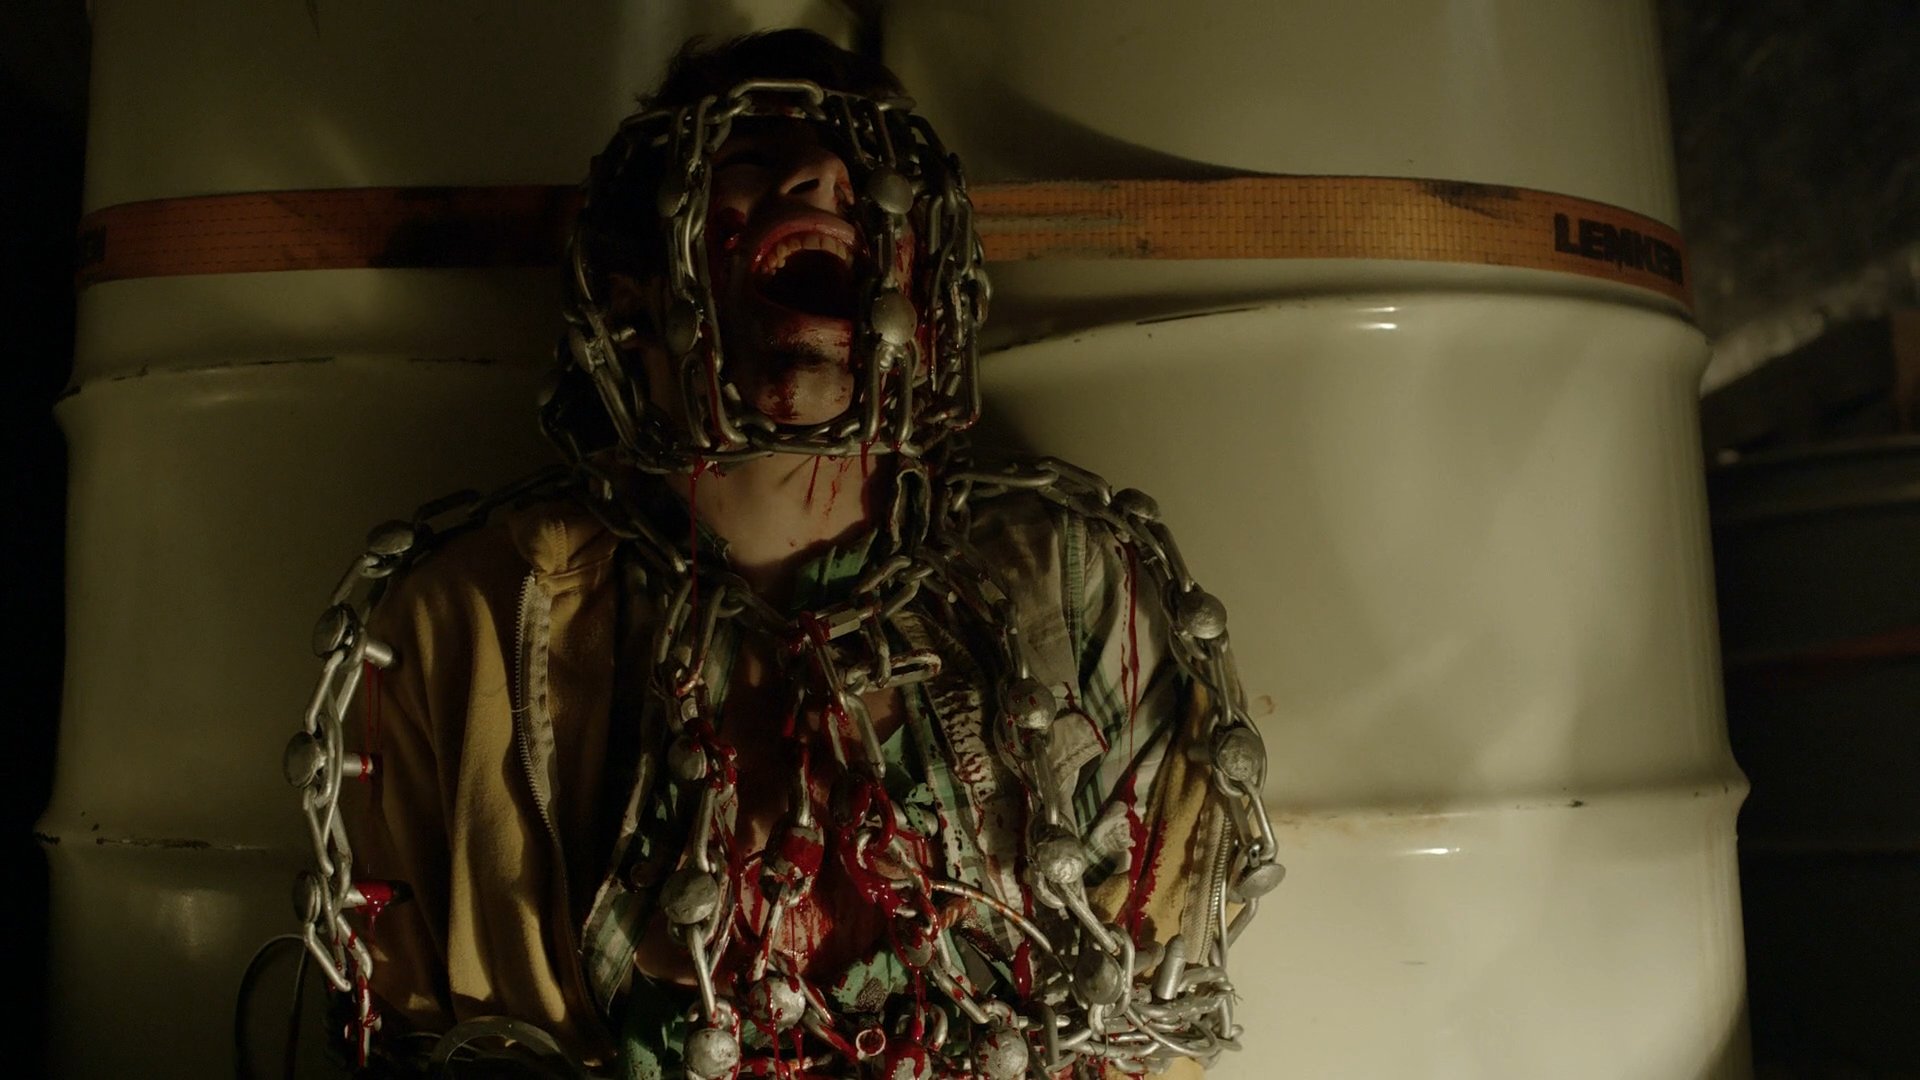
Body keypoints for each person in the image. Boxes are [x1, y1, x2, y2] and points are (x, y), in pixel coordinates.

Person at [287, 29, 1281, 1079]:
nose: (821, 180)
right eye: (752, 162)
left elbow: (1151, 1018)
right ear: (631, 295)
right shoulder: (467, 628)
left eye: (866, 191)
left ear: (927, 305)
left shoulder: (1077, 599)